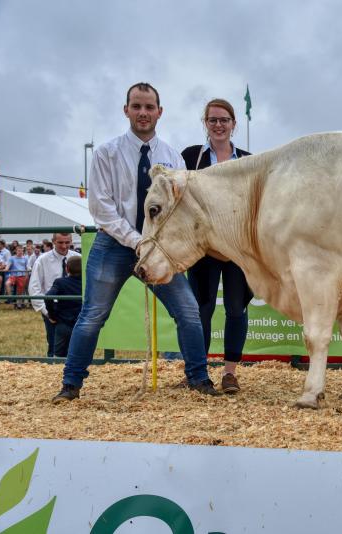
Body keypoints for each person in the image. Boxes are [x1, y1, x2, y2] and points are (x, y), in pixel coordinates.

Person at [52, 82, 220, 403]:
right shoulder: (106, 153)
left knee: (188, 312)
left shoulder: (173, 158)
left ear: (160, 112)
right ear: (126, 110)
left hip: (159, 250)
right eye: (137, 106)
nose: (143, 113)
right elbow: (101, 208)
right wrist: (136, 241)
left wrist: (157, 245)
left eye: (149, 107)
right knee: (93, 315)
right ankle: (70, 385)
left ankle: (198, 378)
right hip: (113, 245)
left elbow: (180, 209)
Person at [181, 98, 252, 394]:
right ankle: (198, 373)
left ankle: (230, 373)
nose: (219, 125)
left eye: (224, 120)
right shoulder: (190, 156)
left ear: (234, 124)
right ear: (205, 124)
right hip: (203, 249)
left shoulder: (248, 160)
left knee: (237, 309)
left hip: (236, 248)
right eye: (213, 120)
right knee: (201, 310)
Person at [28, 233, 80, 356]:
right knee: (55, 346)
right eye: (60, 242)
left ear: (71, 241)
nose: (64, 246)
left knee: (77, 346)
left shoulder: (78, 258)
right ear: (53, 242)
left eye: (67, 242)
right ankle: (53, 370)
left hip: (75, 310)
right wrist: (47, 312)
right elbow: (34, 287)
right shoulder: (42, 260)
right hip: (53, 310)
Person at [44, 256, 83, 357]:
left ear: (67, 268)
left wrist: (52, 315)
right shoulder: (87, 282)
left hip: (64, 323)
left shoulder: (60, 282)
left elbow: (48, 297)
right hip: (82, 324)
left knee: (59, 355)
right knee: (80, 354)